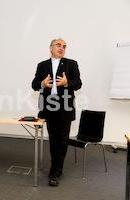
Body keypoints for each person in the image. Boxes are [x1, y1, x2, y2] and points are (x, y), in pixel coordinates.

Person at [32, 39, 82, 186]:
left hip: (64, 107)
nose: (62, 48)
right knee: (53, 139)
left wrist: (66, 83)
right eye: (58, 45)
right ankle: (55, 166)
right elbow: (34, 84)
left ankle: (55, 172)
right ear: (51, 48)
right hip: (48, 107)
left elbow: (78, 83)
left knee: (62, 140)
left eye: (64, 46)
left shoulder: (71, 64)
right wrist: (42, 84)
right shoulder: (42, 65)